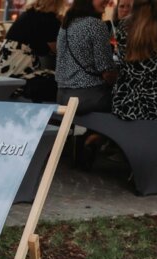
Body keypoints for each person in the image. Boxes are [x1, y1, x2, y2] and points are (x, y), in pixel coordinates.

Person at [56, 0, 118, 168]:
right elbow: (106, 69)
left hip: (62, 95)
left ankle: (86, 137)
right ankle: (97, 139)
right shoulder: (96, 25)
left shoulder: (66, 24)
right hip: (87, 97)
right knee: (127, 102)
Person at [0, 0, 64, 102]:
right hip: (19, 80)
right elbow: (60, 50)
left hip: (2, 76)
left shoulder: (28, 14)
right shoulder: (50, 19)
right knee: (65, 84)